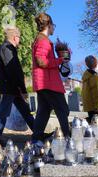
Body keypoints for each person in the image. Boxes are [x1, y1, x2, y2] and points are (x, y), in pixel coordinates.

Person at [0, 26, 35, 145]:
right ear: (15, 37)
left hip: (12, 87)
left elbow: (14, 70)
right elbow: (13, 70)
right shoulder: (7, 49)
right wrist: (21, 88)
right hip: (10, 87)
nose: (19, 40)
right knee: (3, 114)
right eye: (19, 37)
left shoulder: (6, 48)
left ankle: (38, 133)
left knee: (25, 112)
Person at [31, 13, 70, 145]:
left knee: (43, 111)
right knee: (63, 110)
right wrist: (60, 60)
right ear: (48, 25)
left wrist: (57, 59)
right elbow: (41, 61)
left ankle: (36, 140)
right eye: (53, 25)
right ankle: (68, 139)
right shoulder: (43, 40)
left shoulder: (40, 39)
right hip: (48, 83)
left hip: (43, 83)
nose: (54, 28)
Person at [81, 56, 98, 123]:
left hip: (89, 105)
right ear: (96, 64)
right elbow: (96, 93)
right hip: (95, 106)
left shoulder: (86, 76)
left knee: (92, 122)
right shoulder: (94, 77)